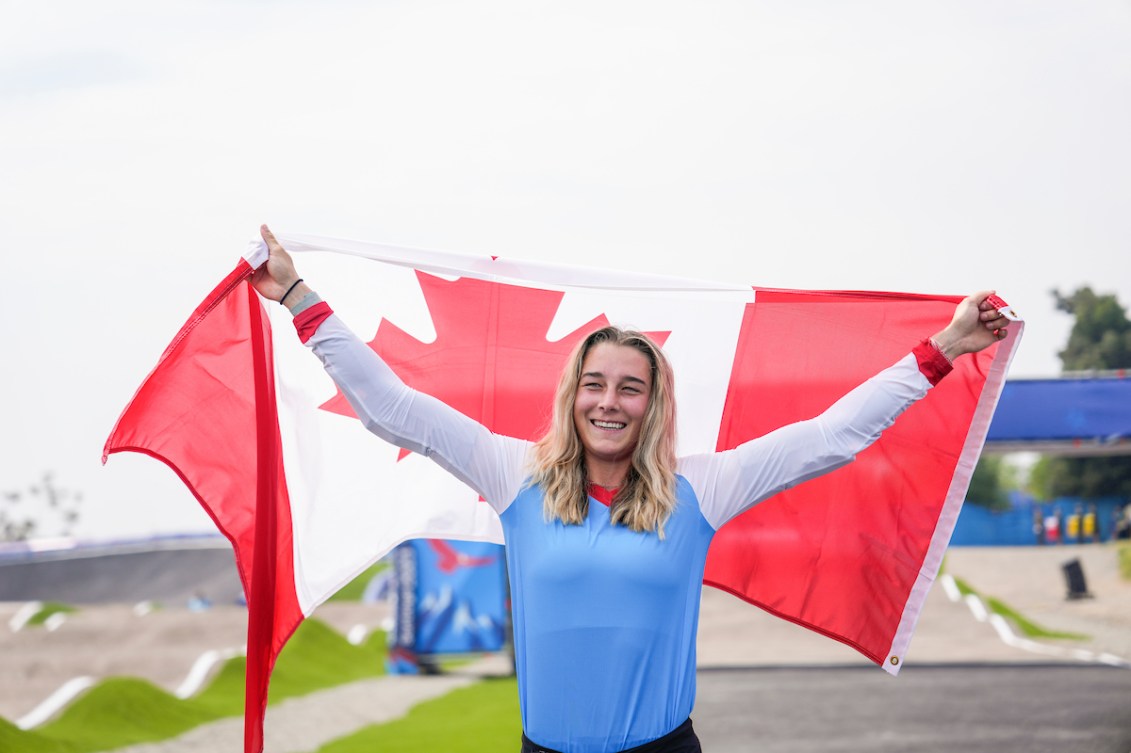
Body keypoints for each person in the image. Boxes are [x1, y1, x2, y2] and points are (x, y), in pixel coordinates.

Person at [251, 225, 1012, 753]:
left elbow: (829, 436)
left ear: (653, 405)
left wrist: (944, 346)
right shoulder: (511, 474)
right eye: (594, 384)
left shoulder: (702, 490)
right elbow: (393, 409)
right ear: (571, 395)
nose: (608, 401)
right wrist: (296, 297)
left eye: (629, 388)